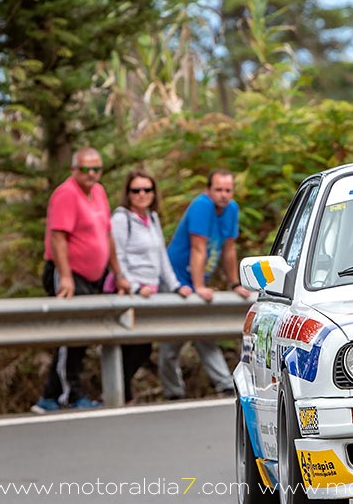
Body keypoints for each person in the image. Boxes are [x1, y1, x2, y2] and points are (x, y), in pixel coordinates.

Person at [32, 148, 131, 414]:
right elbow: (58, 238)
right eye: (86, 169)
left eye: (96, 169)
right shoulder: (66, 194)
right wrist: (65, 277)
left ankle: (52, 396)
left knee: (82, 334)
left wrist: (118, 274)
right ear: (74, 169)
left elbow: (106, 235)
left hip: (93, 276)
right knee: (73, 333)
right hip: (68, 273)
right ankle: (68, 393)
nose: (91, 174)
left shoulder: (98, 192)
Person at [159, 169, 251, 399]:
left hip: (196, 279)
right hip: (176, 278)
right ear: (208, 190)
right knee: (172, 339)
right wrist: (199, 286)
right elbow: (198, 248)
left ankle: (225, 384)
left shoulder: (231, 209)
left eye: (228, 190)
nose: (223, 195)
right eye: (218, 190)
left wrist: (234, 283)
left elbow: (229, 249)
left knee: (204, 332)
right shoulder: (202, 206)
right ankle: (173, 391)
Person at [111, 169, 192, 403]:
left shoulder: (152, 218)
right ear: (128, 193)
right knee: (135, 347)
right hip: (132, 291)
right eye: (136, 190)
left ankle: (122, 393)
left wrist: (176, 286)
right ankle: (119, 393)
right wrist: (135, 286)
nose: (142, 194)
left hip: (152, 291)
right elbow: (117, 256)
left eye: (147, 189)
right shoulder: (121, 219)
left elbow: (161, 257)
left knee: (142, 346)